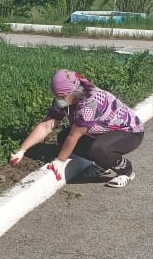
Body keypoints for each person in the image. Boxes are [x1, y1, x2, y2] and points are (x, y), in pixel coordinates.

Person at [9, 69, 144, 188]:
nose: (59, 100)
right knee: (63, 138)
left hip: (129, 132)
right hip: (102, 131)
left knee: (98, 149)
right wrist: (22, 149)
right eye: (56, 96)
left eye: (62, 96)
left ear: (74, 92)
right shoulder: (66, 99)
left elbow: (74, 135)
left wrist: (60, 161)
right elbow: (47, 125)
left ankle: (126, 171)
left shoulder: (90, 103)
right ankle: (105, 163)